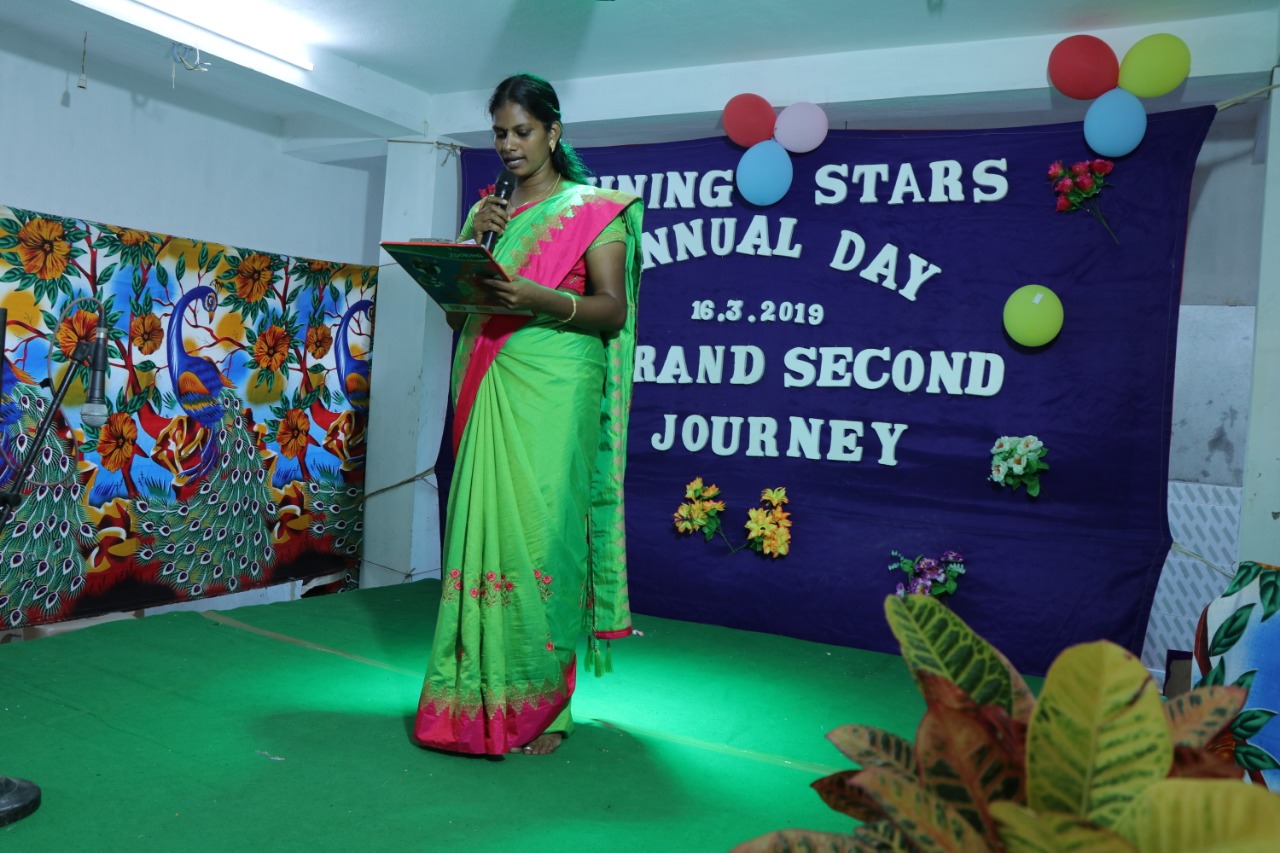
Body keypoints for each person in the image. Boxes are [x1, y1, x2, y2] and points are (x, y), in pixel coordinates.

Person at [413, 73, 644, 757]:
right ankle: (474, 693)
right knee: (482, 535)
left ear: (553, 132)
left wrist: (539, 298)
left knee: (543, 539)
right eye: (500, 134)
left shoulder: (593, 210)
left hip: (556, 383)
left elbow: (612, 309)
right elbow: (459, 314)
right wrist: (474, 247)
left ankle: (546, 706)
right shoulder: (486, 214)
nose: (509, 145)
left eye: (523, 131)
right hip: (489, 377)